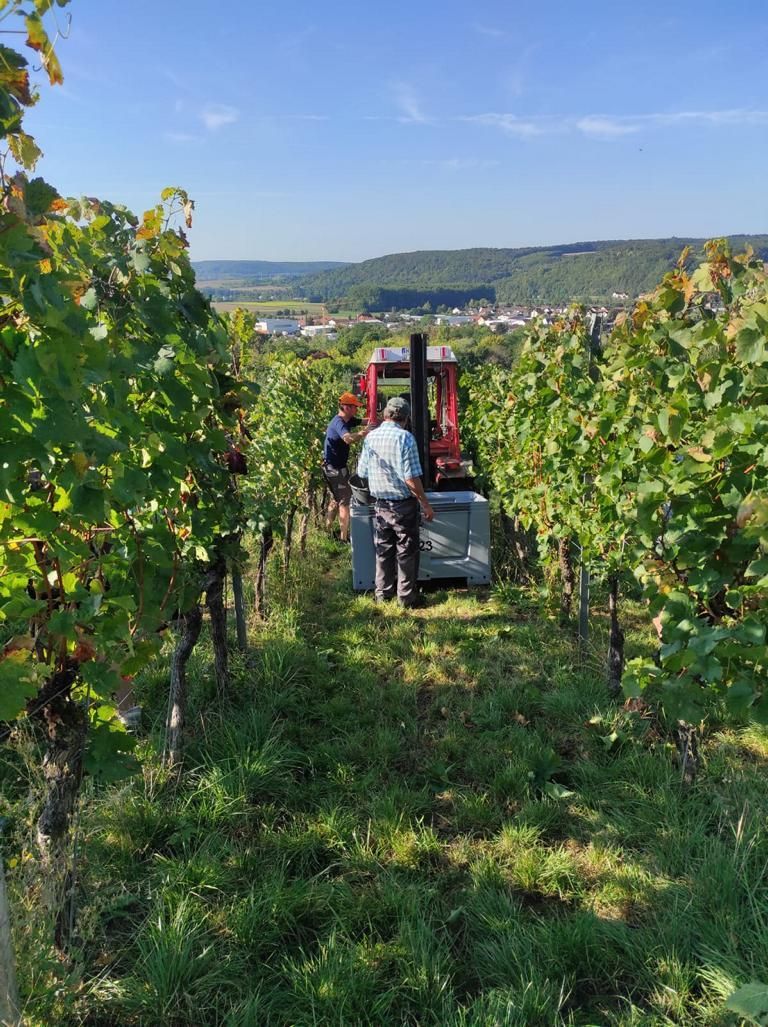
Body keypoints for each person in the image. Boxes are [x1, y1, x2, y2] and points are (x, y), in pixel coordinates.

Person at [357, 396, 434, 608]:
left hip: (380, 504)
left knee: (383, 550)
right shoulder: (405, 438)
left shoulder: (370, 438)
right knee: (406, 551)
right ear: (406, 418)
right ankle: (406, 598)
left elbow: (361, 471)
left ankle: (382, 594)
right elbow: (411, 478)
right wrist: (425, 504)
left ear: (385, 415)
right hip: (403, 506)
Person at [323, 391, 370, 542]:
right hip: (334, 470)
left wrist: (382, 420)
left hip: (333, 468)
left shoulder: (348, 420)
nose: (357, 409)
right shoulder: (339, 423)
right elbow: (348, 439)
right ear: (346, 407)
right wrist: (362, 434)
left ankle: (328, 531)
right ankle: (343, 538)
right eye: (355, 407)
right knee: (345, 502)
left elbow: (364, 421)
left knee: (335, 499)